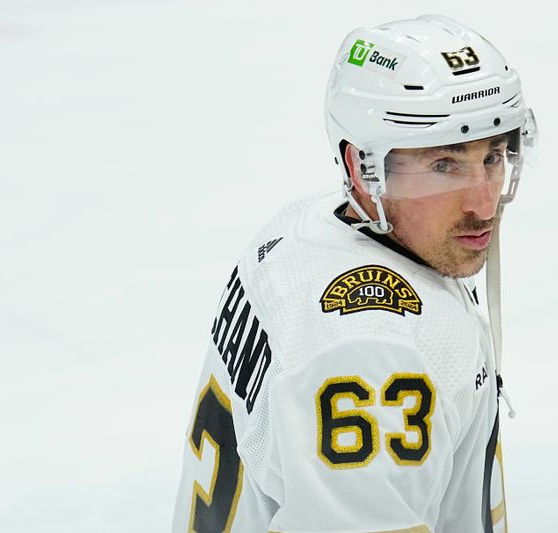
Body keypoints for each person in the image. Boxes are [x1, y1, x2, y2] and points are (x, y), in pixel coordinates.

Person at [172, 14, 537, 533]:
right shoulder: (370, 352)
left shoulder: (304, 230)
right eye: (444, 166)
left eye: (494, 156)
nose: (484, 203)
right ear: (362, 167)